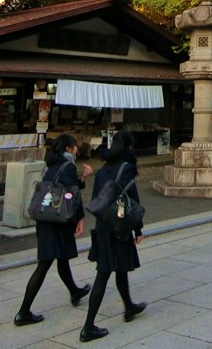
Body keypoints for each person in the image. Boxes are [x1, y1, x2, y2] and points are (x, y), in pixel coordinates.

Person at [14, 134, 94, 327]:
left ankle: (75, 292)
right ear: (68, 148)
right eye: (75, 147)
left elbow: (65, 187)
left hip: (47, 218)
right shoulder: (67, 166)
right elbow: (72, 194)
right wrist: (80, 218)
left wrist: (82, 178)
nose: (77, 150)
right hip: (57, 221)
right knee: (45, 264)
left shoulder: (52, 165)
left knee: (62, 258)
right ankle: (23, 312)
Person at [80, 129, 146, 342]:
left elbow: (97, 201)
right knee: (104, 273)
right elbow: (132, 201)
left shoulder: (102, 170)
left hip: (103, 227)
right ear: (128, 146)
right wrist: (138, 229)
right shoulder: (126, 168)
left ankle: (129, 307)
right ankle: (88, 326)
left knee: (119, 269)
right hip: (119, 227)